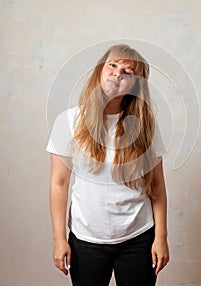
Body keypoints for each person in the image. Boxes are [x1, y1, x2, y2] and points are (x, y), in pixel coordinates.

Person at [46, 44, 169, 286]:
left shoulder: (145, 127)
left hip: (138, 238)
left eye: (128, 71)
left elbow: (157, 185)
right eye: (112, 65)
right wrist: (59, 239)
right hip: (86, 241)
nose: (117, 73)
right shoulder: (69, 121)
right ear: (100, 70)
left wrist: (161, 237)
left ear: (136, 84)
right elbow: (59, 184)